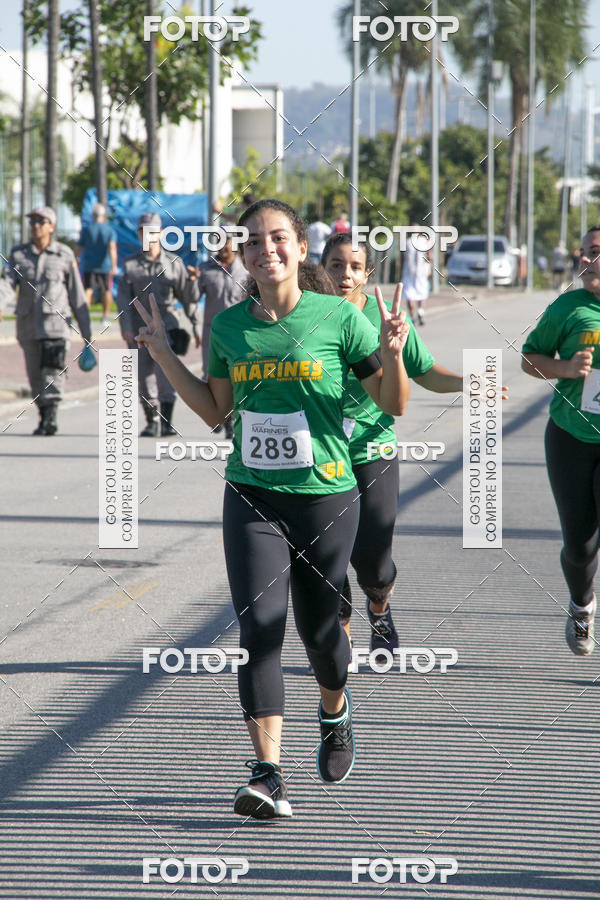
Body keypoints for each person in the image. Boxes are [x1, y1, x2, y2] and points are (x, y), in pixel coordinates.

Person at [132, 198, 410, 818]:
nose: (266, 250)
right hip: (252, 493)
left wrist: (392, 355)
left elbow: (391, 404)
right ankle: (267, 774)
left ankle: (335, 710)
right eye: (253, 242)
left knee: (319, 635)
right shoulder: (230, 327)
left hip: (327, 497)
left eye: (278, 238)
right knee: (259, 629)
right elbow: (219, 416)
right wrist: (163, 355)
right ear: (244, 255)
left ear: (300, 247)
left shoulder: (339, 318)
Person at [320, 232, 462, 656]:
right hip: (319, 456)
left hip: (371, 450)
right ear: (320, 267)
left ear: (367, 273)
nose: (345, 275)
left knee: (374, 563)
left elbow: (425, 372)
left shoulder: (385, 319)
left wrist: (470, 383)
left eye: (355, 267)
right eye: (335, 265)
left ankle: (379, 605)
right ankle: (337, 639)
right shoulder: (303, 316)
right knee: (324, 555)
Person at [522, 225, 600, 657]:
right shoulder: (567, 308)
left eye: (598, 252)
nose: (590, 259)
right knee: (580, 544)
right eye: (587, 251)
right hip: (571, 436)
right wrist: (567, 369)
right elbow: (529, 361)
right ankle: (581, 603)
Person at [0, 205, 92, 436]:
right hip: (28, 326)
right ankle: (43, 414)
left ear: (51, 226)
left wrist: (86, 333)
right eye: (32, 222)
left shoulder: (64, 255)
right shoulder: (19, 254)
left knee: (52, 371)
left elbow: (76, 294)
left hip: (56, 326)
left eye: (40, 222)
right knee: (34, 375)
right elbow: (7, 284)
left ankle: (51, 416)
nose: (35, 226)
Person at [116, 212, 200, 437]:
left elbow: (188, 298)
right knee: (144, 376)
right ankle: (151, 420)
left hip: (168, 327)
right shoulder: (130, 264)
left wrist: (196, 327)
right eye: (144, 232)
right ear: (139, 234)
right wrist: (124, 326)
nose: (149, 236)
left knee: (167, 374)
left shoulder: (174, 263)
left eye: (153, 232)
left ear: (161, 234)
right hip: (139, 328)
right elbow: (123, 298)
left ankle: (166, 421)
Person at [187, 227, 247, 439]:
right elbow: (192, 298)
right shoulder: (206, 268)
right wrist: (193, 281)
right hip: (212, 334)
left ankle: (230, 421)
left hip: (238, 335)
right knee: (211, 375)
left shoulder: (246, 271)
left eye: (227, 241)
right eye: (218, 241)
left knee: (235, 377)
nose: (222, 246)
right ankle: (218, 414)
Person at [76, 203, 118, 330]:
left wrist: (74, 260)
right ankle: (105, 317)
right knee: (106, 290)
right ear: (104, 215)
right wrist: (114, 266)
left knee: (88, 289)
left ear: (93, 216)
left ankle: (86, 317)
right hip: (105, 266)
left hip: (89, 266)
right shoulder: (109, 230)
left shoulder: (87, 230)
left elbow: (78, 248)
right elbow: (112, 249)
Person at [402, 226, 431, 326]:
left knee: (410, 295)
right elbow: (429, 256)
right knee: (421, 292)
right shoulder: (424, 241)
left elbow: (403, 258)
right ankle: (420, 311)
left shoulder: (407, 242)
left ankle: (412, 316)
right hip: (421, 272)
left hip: (409, 272)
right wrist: (428, 267)